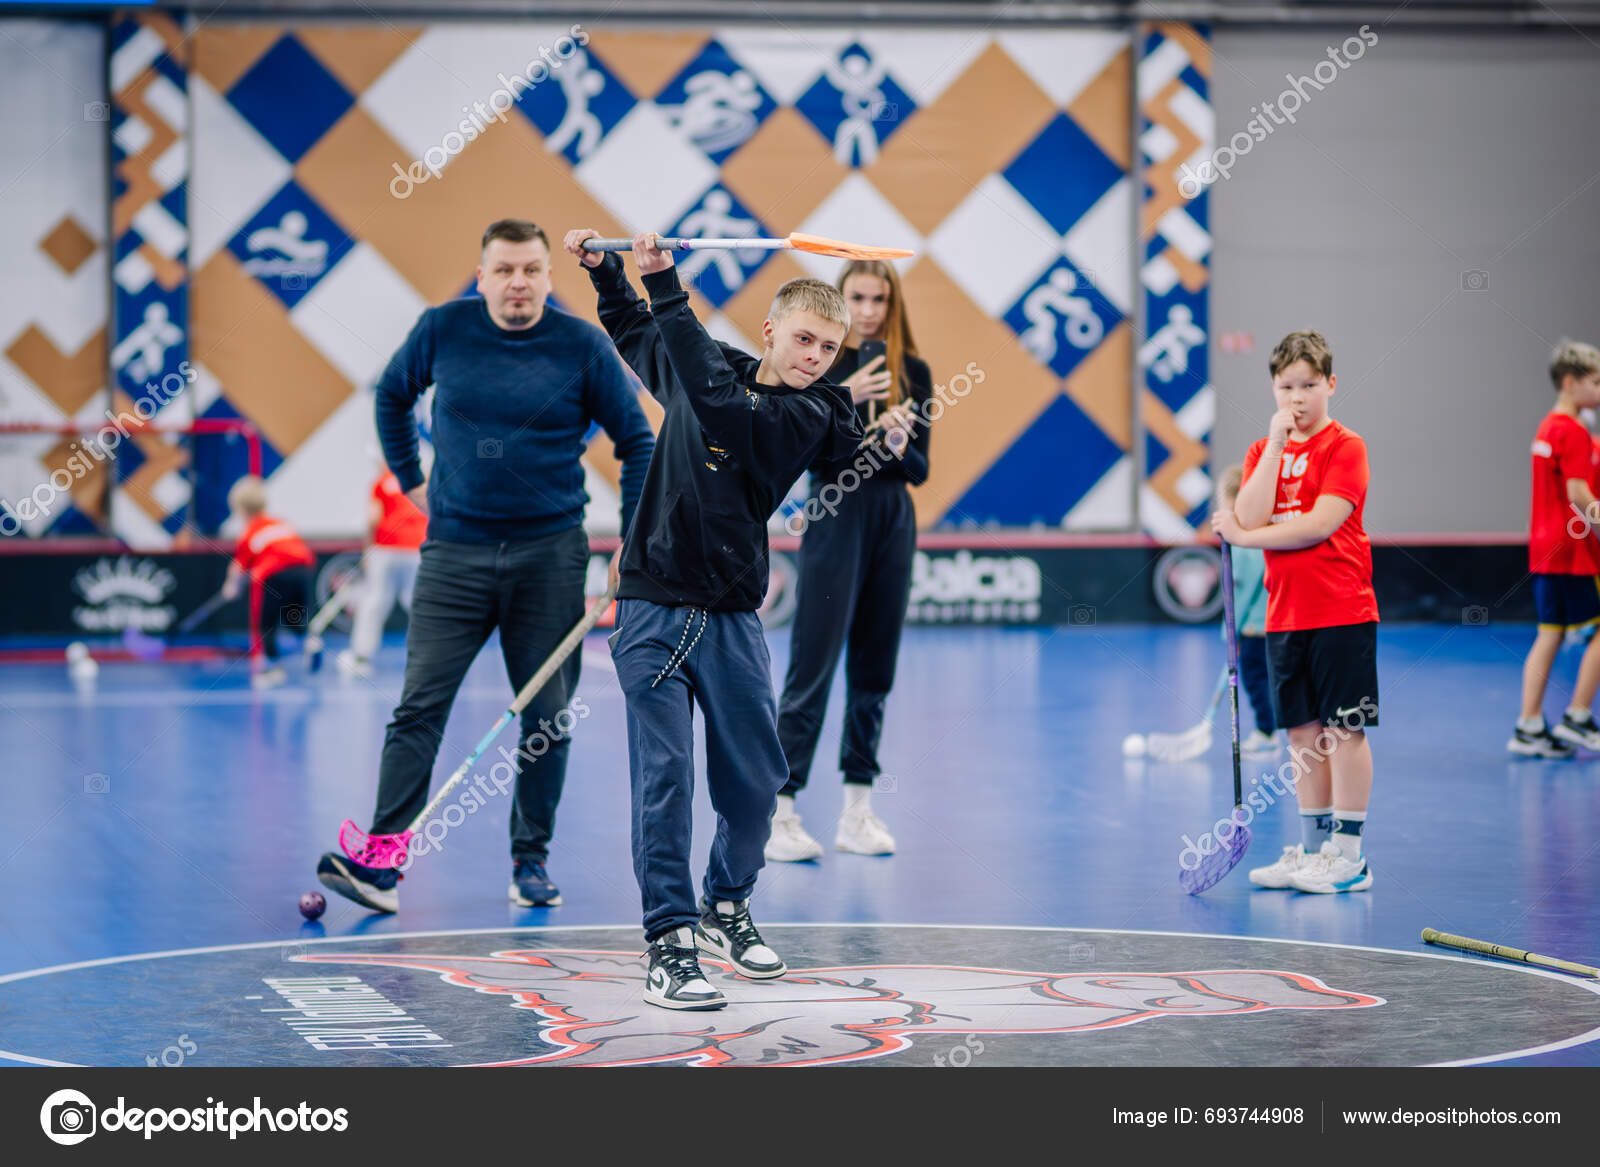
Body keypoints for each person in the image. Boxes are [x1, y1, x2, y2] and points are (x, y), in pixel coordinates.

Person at [316, 219, 655, 915]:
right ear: (482, 278)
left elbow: (638, 442)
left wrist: (634, 539)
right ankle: (380, 865)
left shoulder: (583, 345)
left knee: (547, 717)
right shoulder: (443, 328)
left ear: (549, 277)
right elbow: (390, 395)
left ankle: (530, 861)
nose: (518, 283)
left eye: (531, 269)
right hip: (454, 554)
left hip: (550, 555)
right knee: (419, 707)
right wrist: (411, 480)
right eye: (504, 270)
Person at [564, 227, 861, 1010]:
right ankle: (669, 942)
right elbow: (642, 336)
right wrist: (608, 273)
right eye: (803, 339)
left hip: (730, 619)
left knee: (757, 784)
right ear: (771, 330)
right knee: (666, 776)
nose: (815, 356)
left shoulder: (815, 413)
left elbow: (722, 408)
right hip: (652, 610)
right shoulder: (712, 365)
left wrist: (667, 285)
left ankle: (725, 903)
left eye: (829, 348)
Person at [767, 259, 932, 861]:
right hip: (835, 511)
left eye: (877, 299)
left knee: (874, 666)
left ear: (892, 304)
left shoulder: (912, 371)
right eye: (857, 298)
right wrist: (846, 398)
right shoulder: (823, 364)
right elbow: (806, 454)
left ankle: (856, 811)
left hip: (892, 519)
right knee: (811, 663)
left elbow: (920, 470)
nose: (866, 311)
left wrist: (897, 441)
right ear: (840, 300)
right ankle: (780, 812)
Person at [1211, 329, 1379, 895]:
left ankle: (1350, 858)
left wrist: (1245, 536)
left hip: (1342, 611)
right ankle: (1312, 850)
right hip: (1285, 617)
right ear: (1273, 390)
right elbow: (1250, 512)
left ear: (1330, 384)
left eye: (1309, 385)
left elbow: (1318, 526)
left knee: (1344, 731)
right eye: (1287, 387)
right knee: (1303, 737)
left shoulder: (1346, 447)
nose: (1298, 397)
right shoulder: (1264, 451)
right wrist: (1275, 448)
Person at [1508, 339, 1600, 756]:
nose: (1598, 390)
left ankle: (1528, 726)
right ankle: (1578, 715)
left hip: (1545, 549)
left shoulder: (1548, 427)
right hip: (1570, 551)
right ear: (1569, 382)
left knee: (1550, 633)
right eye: (1594, 382)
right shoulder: (1574, 431)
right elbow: (1579, 494)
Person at [222, 475, 315, 691]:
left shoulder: (249, 532)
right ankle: (309, 642)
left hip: (274, 576)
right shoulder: (281, 523)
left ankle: (273, 670)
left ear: (240, 509)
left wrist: (231, 586)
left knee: (266, 625)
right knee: (293, 617)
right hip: (302, 571)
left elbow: (238, 567)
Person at [337, 467, 426, 679]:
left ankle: (360, 658)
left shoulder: (381, 482)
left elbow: (373, 519)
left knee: (375, 600)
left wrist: (367, 549)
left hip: (385, 548)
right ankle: (434, 657)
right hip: (416, 548)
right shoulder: (418, 478)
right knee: (418, 602)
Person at [1215, 464, 1279, 757]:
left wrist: (1230, 632)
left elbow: (1239, 593)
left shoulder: (1241, 540)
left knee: (1256, 680)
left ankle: (1267, 733)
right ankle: (1272, 730)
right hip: (1274, 620)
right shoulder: (1267, 531)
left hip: (1254, 626)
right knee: (1270, 679)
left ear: (1231, 500)